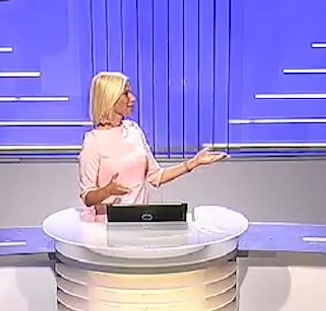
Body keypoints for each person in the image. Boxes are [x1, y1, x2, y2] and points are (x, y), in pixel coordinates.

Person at [78, 71, 227, 219]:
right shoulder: (94, 141)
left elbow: (157, 177)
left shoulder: (133, 130)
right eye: (126, 94)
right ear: (109, 97)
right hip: (107, 226)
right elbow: (87, 197)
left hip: (140, 221)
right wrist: (107, 191)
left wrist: (194, 163)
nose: (133, 98)